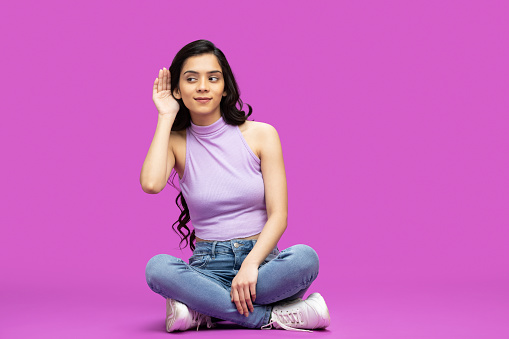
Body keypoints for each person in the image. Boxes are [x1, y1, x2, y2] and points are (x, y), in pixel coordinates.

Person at [140, 39, 330, 332]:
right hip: (207, 269)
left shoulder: (261, 135)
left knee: (306, 258)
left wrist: (251, 265)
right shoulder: (177, 143)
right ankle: (271, 317)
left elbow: (279, 215)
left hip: (263, 265)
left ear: (225, 87)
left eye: (212, 78)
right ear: (177, 90)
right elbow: (151, 184)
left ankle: (204, 310)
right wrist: (165, 116)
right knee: (157, 268)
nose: (203, 87)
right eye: (191, 79)